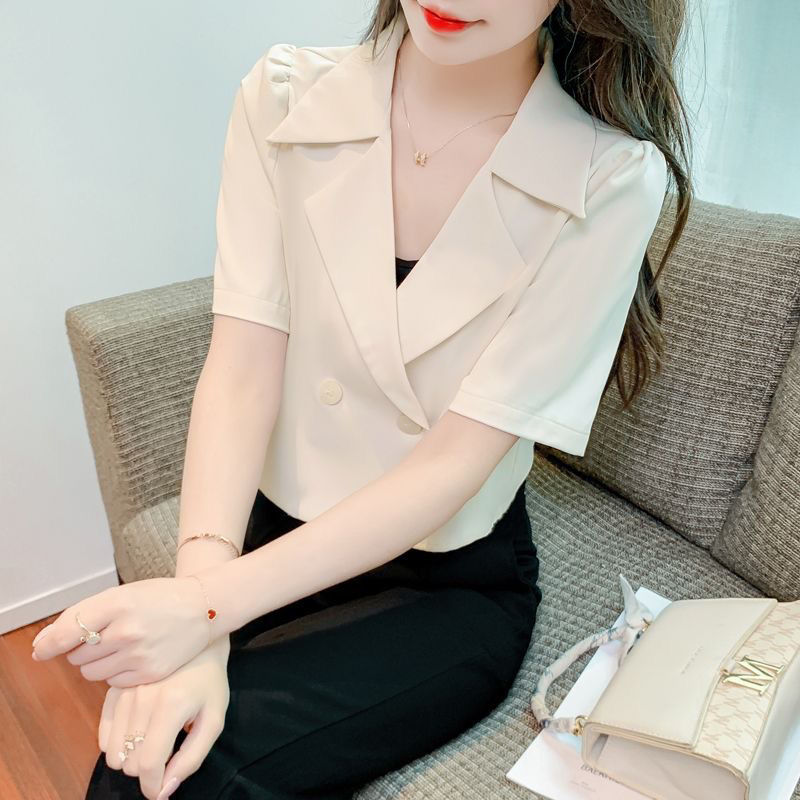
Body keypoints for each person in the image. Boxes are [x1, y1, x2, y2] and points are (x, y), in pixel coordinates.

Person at [31, 1, 691, 798]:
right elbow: (242, 364)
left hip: (445, 581)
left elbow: (454, 464)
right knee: (145, 760)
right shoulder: (283, 96)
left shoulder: (609, 177)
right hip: (274, 528)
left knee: (179, 777)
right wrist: (197, 599)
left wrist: (202, 610)